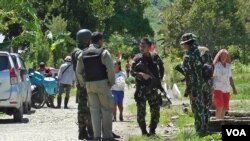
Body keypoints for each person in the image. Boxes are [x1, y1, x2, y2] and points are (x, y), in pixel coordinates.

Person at [76, 32, 115, 140]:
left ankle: (97, 136)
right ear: (99, 40)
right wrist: (111, 82)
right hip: (102, 83)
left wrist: (83, 83)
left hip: (89, 85)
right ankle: (107, 136)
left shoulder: (82, 54)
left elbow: (78, 72)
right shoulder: (104, 52)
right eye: (102, 40)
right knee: (106, 110)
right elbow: (111, 69)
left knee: (94, 111)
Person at [180, 33, 213, 136]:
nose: (183, 46)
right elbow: (211, 67)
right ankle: (207, 128)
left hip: (196, 87)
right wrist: (211, 85)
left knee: (198, 109)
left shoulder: (188, 56)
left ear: (186, 43)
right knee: (207, 108)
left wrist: (189, 92)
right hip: (207, 85)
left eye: (183, 44)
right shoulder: (205, 50)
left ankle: (200, 131)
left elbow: (188, 76)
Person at [131, 37, 164, 136]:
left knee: (155, 111)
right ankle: (144, 132)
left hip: (153, 89)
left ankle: (152, 131)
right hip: (141, 89)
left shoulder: (155, 57)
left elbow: (161, 67)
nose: (141, 48)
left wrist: (159, 79)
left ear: (149, 47)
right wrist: (141, 75)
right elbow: (132, 72)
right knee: (141, 112)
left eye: (144, 46)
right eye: (140, 45)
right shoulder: (136, 58)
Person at [71, 29, 93, 140]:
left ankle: (90, 129)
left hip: (88, 82)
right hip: (82, 83)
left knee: (90, 107)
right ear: (86, 40)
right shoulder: (77, 50)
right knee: (83, 107)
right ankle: (82, 130)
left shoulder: (81, 49)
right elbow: (81, 55)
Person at [213, 49, 237, 119]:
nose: (223, 57)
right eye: (222, 56)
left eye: (225, 56)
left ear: (227, 57)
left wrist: (234, 88)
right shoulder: (216, 65)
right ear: (219, 57)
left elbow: (230, 78)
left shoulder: (228, 66)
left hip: (226, 89)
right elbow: (212, 77)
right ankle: (217, 122)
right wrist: (211, 88)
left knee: (224, 107)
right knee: (219, 106)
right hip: (218, 88)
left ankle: (221, 121)